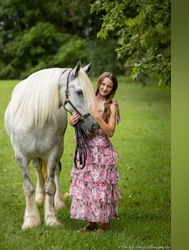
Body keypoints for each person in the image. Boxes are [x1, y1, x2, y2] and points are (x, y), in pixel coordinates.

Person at [69, 72, 121, 232]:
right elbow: (80, 120)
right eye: (103, 84)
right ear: (98, 83)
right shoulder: (87, 100)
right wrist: (72, 122)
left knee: (102, 187)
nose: (105, 88)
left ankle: (105, 225)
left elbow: (110, 131)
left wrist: (98, 116)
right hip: (86, 148)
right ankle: (91, 224)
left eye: (109, 86)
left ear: (113, 89)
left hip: (101, 152)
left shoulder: (112, 106)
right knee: (88, 186)